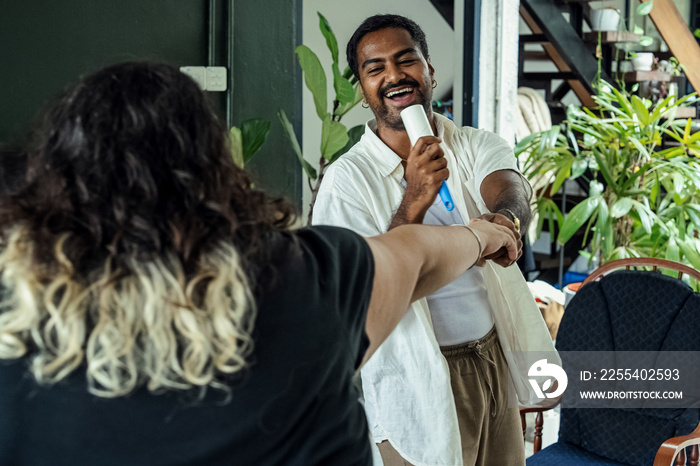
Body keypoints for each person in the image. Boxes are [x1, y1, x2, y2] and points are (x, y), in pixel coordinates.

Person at [0, 61, 521, 465]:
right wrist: (480, 235)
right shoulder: (302, 280)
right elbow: (420, 255)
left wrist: (487, 226)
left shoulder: (17, 345)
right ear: (212, 171)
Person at [313, 14, 557, 466]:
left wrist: (505, 220)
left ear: (429, 71)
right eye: (375, 68)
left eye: (407, 60)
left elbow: (510, 188)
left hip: (492, 353)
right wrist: (415, 198)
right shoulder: (346, 182)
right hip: (417, 373)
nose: (394, 75)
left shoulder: (470, 142)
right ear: (363, 93)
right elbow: (364, 289)